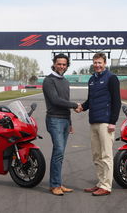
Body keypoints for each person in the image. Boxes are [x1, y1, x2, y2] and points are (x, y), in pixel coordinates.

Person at [77, 52, 121, 196]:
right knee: (96, 155)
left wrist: (113, 121)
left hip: (106, 123)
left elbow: (117, 102)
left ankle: (106, 186)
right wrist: (81, 107)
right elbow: (90, 101)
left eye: (99, 62)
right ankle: (100, 182)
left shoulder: (112, 78)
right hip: (93, 121)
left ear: (104, 63)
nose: (97, 65)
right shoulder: (91, 80)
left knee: (106, 155)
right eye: (95, 62)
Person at [43, 53, 81, 196]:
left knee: (60, 153)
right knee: (58, 152)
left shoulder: (65, 81)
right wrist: (74, 105)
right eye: (59, 64)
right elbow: (55, 100)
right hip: (54, 120)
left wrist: (70, 122)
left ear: (67, 65)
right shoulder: (48, 80)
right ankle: (54, 185)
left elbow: (65, 101)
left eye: (64, 64)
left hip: (64, 120)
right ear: (54, 63)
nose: (61, 66)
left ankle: (57, 183)